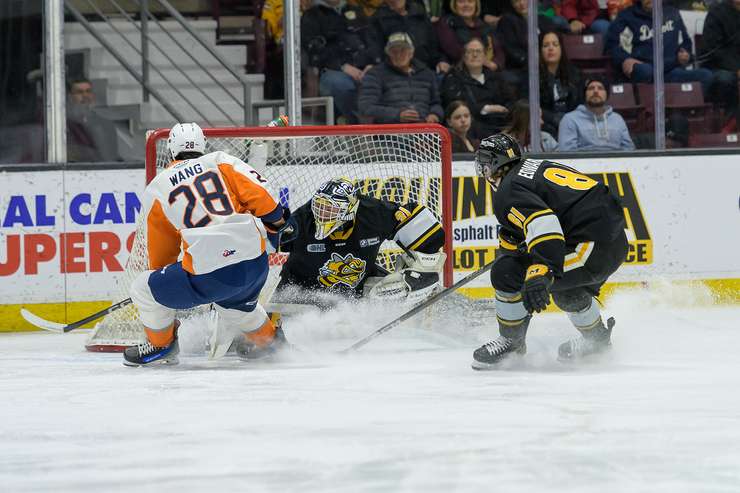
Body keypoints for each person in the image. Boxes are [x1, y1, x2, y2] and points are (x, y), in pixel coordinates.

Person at [123, 123, 293, 366]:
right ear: (202, 145)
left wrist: (172, 284)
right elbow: (263, 199)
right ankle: (270, 341)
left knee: (143, 287)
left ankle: (162, 346)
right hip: (255, 266)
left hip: (210, 276)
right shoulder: (221, 161)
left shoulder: (158, 187)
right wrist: (277, 221)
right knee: (235, 306)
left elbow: (161, 255)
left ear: (171, 150)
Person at [470, 133, 628, 369]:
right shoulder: (533, 166)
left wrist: (541, 270)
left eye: (483, 164)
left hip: (589, 249)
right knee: (567, 290)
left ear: (492, 165)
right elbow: (551, 213)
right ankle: (597, 341)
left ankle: (511, 342)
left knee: (506, 272)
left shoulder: (507, 191)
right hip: (609, 242)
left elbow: (544, 223)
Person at [274, 178, 446, 306]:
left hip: (358, 292)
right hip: (300, 293)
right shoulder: (301, 220)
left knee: (413, 294)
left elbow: (429, 232)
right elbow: (264, 242)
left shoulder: (372, 213)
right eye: (319, 206)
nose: (322, 214)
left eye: (330, 209)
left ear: (349, 209)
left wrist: (421, 274)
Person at [605, 0, 714, 94]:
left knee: (706, 76)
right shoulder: (627, 16)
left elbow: (685, 42)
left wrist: (685, 54)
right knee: (644, 71)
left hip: (672, 71)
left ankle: (688, 111)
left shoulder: (672, 13)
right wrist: (624, 59)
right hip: (646, 71)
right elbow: (612, 44)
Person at [301, 0, 376, 123]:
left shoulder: (356, 11)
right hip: (330, 70)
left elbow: (372, 41)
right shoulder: (312, 15)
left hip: (363, 68)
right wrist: (342, 66)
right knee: (339, 84)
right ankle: (357, 126)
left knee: (385, 80)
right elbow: (314, 51)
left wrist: (371, 65)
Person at [358, 32, 444, 123]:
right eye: (394, 51)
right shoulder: (375, 74)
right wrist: (397, 115)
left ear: (411, 53)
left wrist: (435, 115)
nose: (398, 55)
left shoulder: (427, 74)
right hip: (391, 132)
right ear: (388, 54)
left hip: (425, 129)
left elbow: (436, 103)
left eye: (403, 50)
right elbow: (366, 108)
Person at [440, 37, 515, 138]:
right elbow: (454, 104)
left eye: (478, 51)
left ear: (485, 56)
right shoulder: (453, 77)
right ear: (464, 56)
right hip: (473, 126)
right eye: (470, 52)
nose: (474, 55)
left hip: (499, 123)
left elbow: (510, 100)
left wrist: (506, 111)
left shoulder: (495, 77)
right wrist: (486, 108)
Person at [368, 0, 449, 74]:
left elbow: (434, 48)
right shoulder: (377, 20)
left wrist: (441, 61)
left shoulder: (419, 12)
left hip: (428, 71)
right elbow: (379, 56)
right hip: (398, 76)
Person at [557, 76, 635, 151]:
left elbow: (629, 149)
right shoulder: (570, 119)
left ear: (606, 94)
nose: (596, 91)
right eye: (591, 88)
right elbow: (566, 153)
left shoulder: (617, 119)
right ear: (584, 94)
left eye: (600, 88)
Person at [699, 0, 740, 124]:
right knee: (726, 80)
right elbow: (711, 50)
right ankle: (729, 124)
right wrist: (736, 69)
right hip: (718, 67)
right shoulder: (716, 13)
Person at [435, 0, 504, 72]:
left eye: (470, 1)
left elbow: (499, 50)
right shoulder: (446, 23)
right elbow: (455, 51)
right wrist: (481, 62)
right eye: (461, 1)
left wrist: (495, 64)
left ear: (476, 5)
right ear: (454, 5)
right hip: (461, 72)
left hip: (489, 71)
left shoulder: (484, 25)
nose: (466, 5)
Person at [539, 30, 583, 136]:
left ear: (561, 48)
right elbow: (529, 106)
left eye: (555, 44)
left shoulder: (575, 73)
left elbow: (580, 103)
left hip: (573, 123)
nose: (551, 48)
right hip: (546, 125)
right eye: (546, 45)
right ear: (540, 51)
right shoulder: (532, 76)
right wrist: (554, 119)